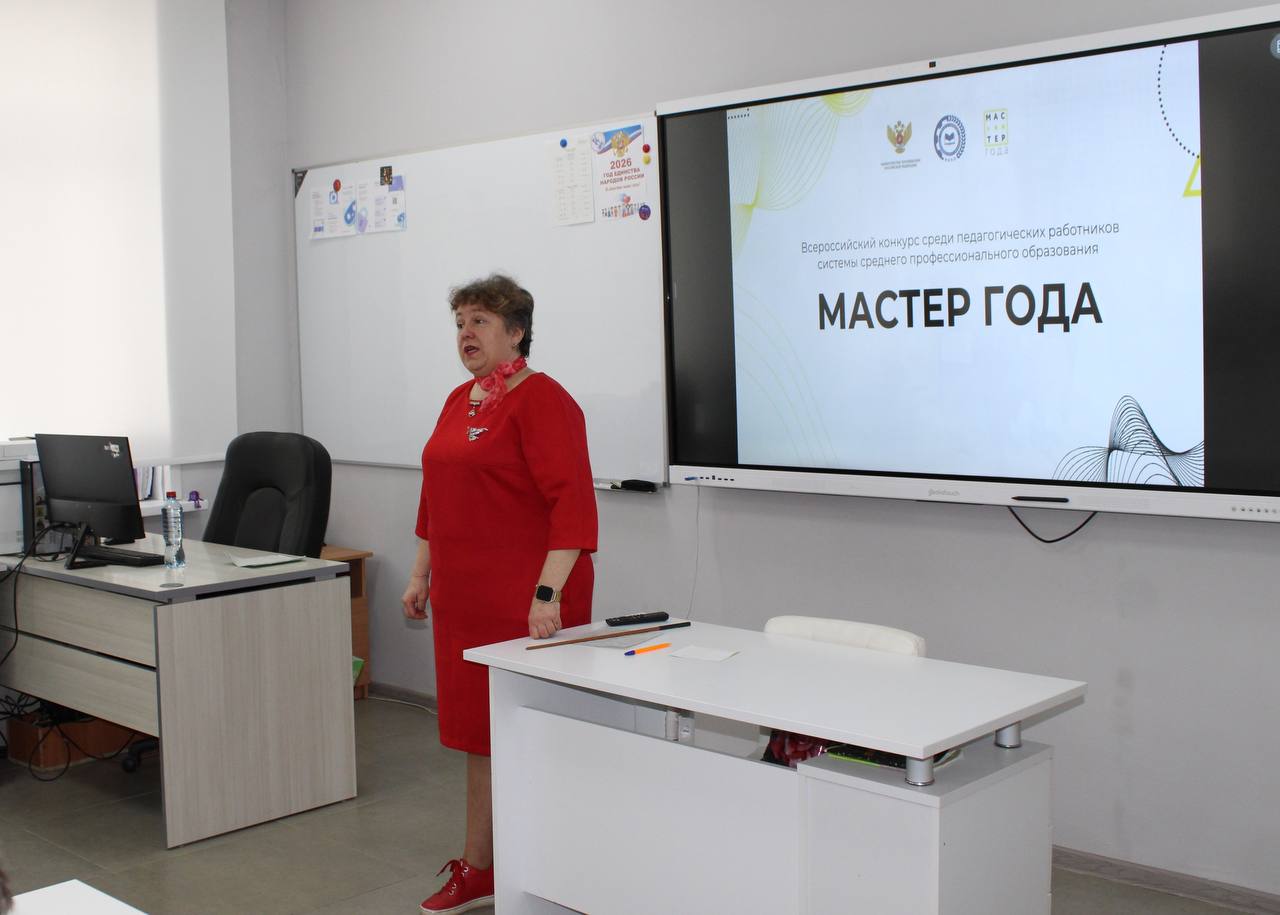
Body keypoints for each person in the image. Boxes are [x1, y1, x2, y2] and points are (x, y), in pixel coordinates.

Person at [402, 275, 597, 914]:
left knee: (529, 734)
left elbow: (573, 506)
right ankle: (481, 868)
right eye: (460, 322)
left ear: (516, 332)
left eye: (480, 321)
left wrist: (547, 594)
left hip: (526, 601)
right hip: (464, 599)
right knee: (478, 737)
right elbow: (435, 496)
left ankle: (552, 868)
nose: (466, 333)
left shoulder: (544, 400)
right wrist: (421, 574)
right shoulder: (459, 400)